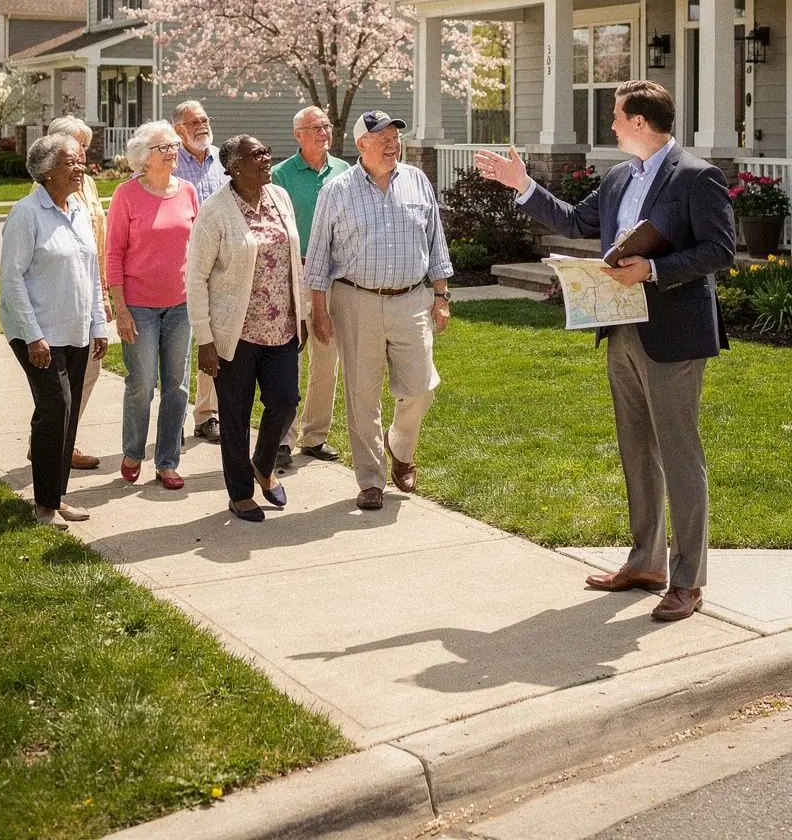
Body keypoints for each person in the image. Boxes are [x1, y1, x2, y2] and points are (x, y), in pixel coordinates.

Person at [475, 80, 735, 623]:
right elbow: (577, 222)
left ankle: (688, 580)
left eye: (617, 116)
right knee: (636, 450)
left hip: (675, 335)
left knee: (680, 455)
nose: (611, 124)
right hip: (621, 330)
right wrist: (523, 184)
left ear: (640, 121)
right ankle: (646, 562)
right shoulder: (619, 177)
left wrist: (655, 269)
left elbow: (720, 251)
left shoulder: (696, 176)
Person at [305, 109, 453, 512]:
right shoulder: (336, 191)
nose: (392, 144)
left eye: (395, 137)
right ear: (361, 145)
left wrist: (441, 295)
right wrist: (319, 310)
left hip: (412, 299)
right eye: (382, 138)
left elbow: (435, 241)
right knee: (361, 395)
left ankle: (401, 446)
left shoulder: (418, 181)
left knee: (421, 388)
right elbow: (317, 258)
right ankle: (370, 480)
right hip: (355, 300)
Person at [186, 135, 305, 522]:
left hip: (281, 328)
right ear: (235, 166)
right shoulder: (215, 211)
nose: (267, 158)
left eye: (266, 151)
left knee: (286, 401)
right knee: (235, 415)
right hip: (232, 334)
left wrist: (300, 313)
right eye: (258, 154)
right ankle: (240, 493)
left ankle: (263, 462)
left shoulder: (279, 197)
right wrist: (205, 339)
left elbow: (291, 260)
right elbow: (196, 278)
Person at [0, 135, 108, 527]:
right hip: (38, 333)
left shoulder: (77, 209)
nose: (80, 168)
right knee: (55, 408)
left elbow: (91, 273)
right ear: (47, 172)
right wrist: (32, 335)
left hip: (75, 330)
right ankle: (44, 506)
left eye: (81, 161)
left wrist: (98, 324)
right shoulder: (26, 214)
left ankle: (57, 497)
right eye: (71, 163)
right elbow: (11, 280)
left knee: (68, 414)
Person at [106, 121, 198, 490]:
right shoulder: (126, 195)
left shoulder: (189, 192)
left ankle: (167, 461)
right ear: (144, 157)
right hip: (140, 306)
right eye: (164, 147)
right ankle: (132, 451)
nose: (173, 151)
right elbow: (113, 254)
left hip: (181, 305)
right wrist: (121, 308)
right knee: (142, 384)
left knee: (176, 386)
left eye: (175, 145)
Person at [29, 115, 113, 471]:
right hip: (59, 301)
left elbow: (96, 241)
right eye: (80, 144)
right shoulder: (41, 194)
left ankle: (57, 441)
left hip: (89, 290)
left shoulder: (89, 184)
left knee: (85, 376)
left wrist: (103, 293)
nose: (85, 151)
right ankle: (55, 443)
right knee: (60, 385)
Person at [271, 106, 349, 470]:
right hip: (295, 275)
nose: (323, 132)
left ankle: (315, 436)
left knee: (327, 356)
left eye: (326, 126)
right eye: (315, 127)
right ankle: (282, 440)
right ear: (297, 135)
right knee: (291, 358)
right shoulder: (280, 175)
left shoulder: (345, 172)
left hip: (335, 277)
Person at [172, 100, 226, 444]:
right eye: (194, 121)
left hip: (219, 267)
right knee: (178, 346)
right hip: (180, 266)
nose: (202, 125)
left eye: (205, 119)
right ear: (179, 129)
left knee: (214, 341)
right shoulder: (166, 160)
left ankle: (206, 415)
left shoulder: (224, 159)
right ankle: (172, 417)